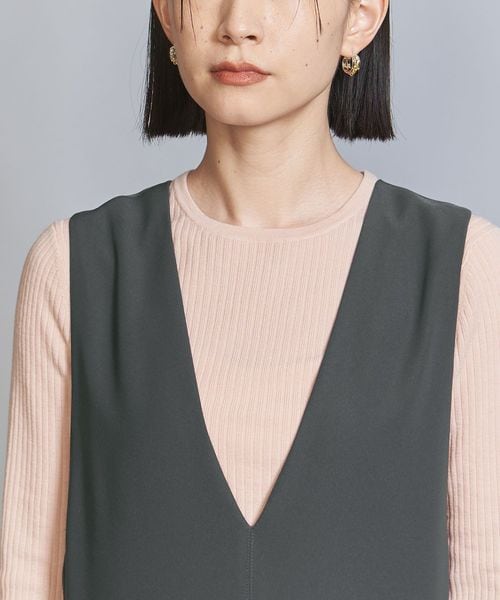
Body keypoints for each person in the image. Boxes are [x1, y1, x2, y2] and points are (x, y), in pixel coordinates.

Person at [1, 0, 499, 597]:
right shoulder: (72, 267)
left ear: (361, 17)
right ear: (165, 13)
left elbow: (483, 572)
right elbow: (27, 572)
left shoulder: (464, 268)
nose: (237, 23)